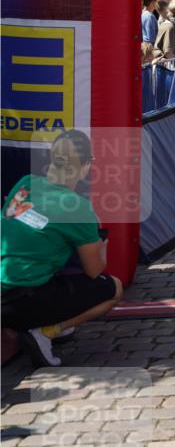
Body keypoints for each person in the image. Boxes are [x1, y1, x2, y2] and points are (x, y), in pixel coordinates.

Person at [1, 130, 123, 368]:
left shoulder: (25, 183)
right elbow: (93, 270)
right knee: (113, 288)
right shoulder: (79, 208)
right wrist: (101, 243)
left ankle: (51, 324)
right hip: (21, 300)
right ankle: (46, 331)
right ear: (87, 166)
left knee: (53, 269)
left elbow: (15, 222)